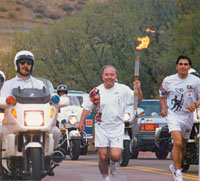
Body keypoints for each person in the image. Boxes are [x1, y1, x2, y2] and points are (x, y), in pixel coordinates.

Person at [78, 65, 142, 181]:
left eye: (112, 75)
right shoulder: (96, 91)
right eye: (106, 75)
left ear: (115, 76)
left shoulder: (123, 89)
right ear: (103, 77)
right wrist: (81, 121)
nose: (109, 77)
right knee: (102, 156)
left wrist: (138, 89)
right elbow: (87, 108)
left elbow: (138, 100)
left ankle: (113, 164)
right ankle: (106, 177)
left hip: (117, 126)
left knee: (115, 156)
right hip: (101, 126)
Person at [0, 50, 60, 150]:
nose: (25, 65)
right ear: (17, 65)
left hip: (37, 120)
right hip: (13, 122)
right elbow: (2, 100)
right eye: (22, 62)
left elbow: (49, 99)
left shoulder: (39, 84)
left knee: (56, 132)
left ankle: (51, 156)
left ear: (32, 66)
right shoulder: (8, 85)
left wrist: (55, 100)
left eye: (29, 63)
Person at [159, 56, 200, 181]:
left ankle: (174, 165)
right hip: (174, 115)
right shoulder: (168, 80)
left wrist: (195, 105)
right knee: (177, 142)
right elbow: (162, 95)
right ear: (177, 66)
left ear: (189, 67)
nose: (183, 66)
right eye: (181, 64)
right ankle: (178, 172)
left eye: (186, 64)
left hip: (188, 116)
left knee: (183, 145)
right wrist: (163, 108)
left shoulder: (196, 81)